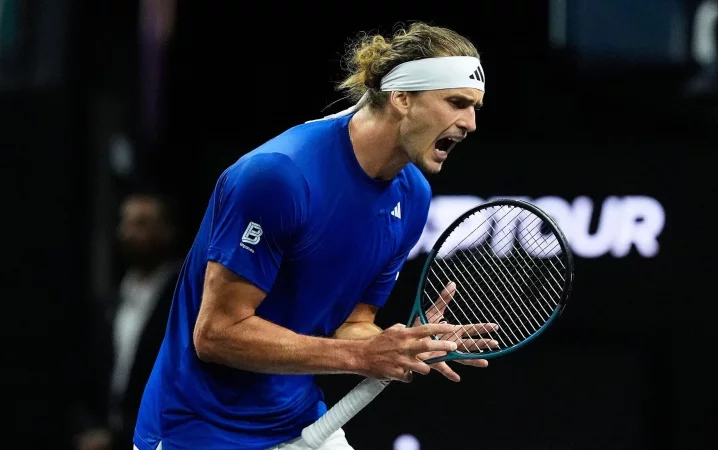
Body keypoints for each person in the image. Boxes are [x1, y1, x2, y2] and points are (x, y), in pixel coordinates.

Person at [133, 22, 491, 450]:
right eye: (456, 102)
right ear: (402, 98)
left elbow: (351, 324)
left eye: (474, 107)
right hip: (195, 431)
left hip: (298, 421)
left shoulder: (413, 196)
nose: (470, 123)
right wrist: (362, 356)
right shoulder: (279, 176)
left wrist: (397, 346)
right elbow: (216, 335)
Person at [74, 191, 181, 450]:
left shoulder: (183, 299)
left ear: (166, 231)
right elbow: (89, 375)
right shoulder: (110, 301)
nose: (129, 233)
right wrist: (91, 428)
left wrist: (119, 435)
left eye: (142, 224)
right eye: (126, 223)